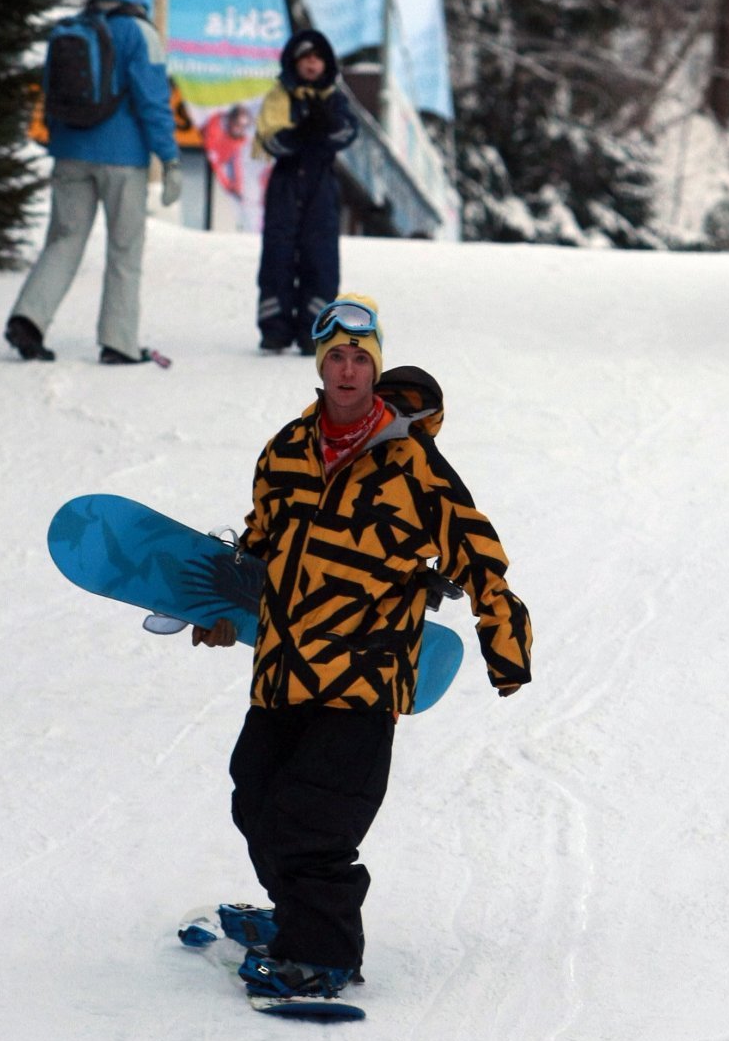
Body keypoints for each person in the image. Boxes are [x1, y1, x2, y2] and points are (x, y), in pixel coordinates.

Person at [190, 293, 533, 1003]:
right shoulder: (286, 449)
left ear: (375, 369)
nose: (347, 372)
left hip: (365, 675)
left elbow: (476, 551)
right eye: (337, 358)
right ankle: (295, 917)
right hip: (283, 667)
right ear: (321, 365)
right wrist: (221, 610)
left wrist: (504, 639)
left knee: (313, 819)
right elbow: (259, 546)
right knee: (256, 795)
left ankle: (324, 956)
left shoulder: (414, 465)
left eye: (360, 359)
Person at [5, 0, 181, 365]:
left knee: (63, 241)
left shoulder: (70, 28)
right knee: (124, 249)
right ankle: (118, 341)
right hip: (123, 160)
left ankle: (28, 319)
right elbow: (153, 103)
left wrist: (60, 144)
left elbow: (51, 92)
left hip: (71, 154)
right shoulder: (140, 33)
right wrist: (171, 159)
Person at [252, 29, 358, 355]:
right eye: (305, 59)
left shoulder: (333, 97)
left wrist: (324, 126)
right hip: (285, 181)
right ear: (294, 63)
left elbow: (348, 131)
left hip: (321, 184)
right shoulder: (280, 95)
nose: (312, 65)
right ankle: (275, 327)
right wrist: (299, 134)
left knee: (320, 256)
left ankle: (316, 328)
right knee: (278, 254)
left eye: (317, 59)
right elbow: (269, 137)